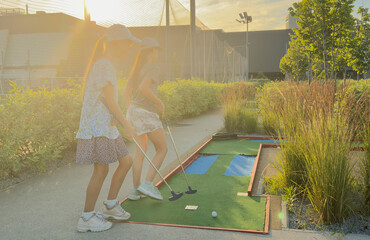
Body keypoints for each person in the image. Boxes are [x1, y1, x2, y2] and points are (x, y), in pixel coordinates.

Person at [76, 24, 140, 233]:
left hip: (105, 125)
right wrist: (127, 124)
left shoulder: (107, 65)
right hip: (97, 127)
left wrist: (115, 119)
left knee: (126, 161)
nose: (129, 48)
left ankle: (111, 205)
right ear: (117, 43)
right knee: (101, 169)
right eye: (127, 44)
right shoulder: (104, 65)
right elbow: (111, 100)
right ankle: (86, 218)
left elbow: (104, 98)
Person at [124, 37, 167, 201]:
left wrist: (131, 111)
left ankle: (135, 190)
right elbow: (144, 88)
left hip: (133, 112)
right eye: (156, 50)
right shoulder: (153, 68)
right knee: (162, 149)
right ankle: (148, 184)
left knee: (140, 153)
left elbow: (125, 93)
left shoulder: (136, 69)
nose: (157, 53)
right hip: (146, 113)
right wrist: (159, 102)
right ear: (152, 51)